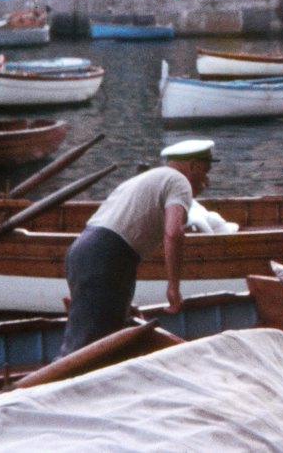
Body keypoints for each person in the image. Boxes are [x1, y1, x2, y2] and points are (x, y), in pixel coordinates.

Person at [58, 140, 215, 359]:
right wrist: (173, 287)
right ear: (193, 166)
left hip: (83, 250)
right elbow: (174, 233)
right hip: (107, 256)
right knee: (90, 349)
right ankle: (54, 380)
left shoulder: (147, 178)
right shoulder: (179, 181)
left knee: (100, 339)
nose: (207, 181)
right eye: (205, 171)